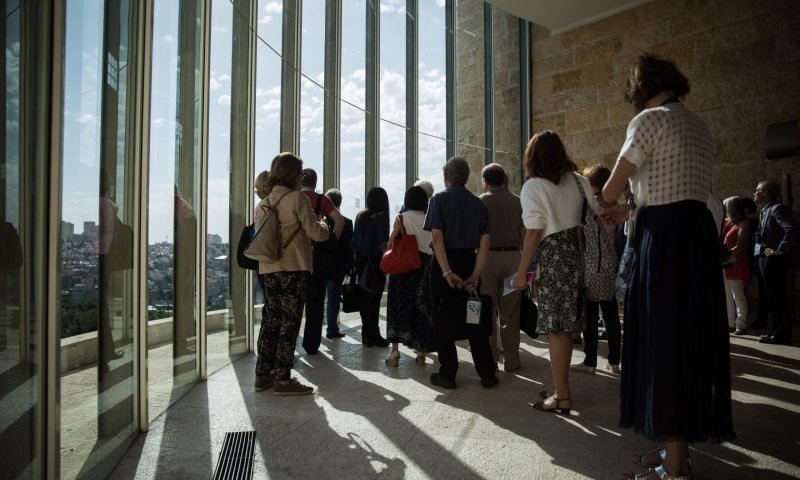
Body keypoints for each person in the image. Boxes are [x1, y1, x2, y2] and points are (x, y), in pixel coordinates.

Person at [601, 54, 735, 479]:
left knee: (664, 344)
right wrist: (633, 210)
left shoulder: (648, 120)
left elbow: (610, 188)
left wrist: (619, 203)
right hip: (696, 235)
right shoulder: (698, 125)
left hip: (664, 241)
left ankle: (675, 468)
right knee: (688, 341)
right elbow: (676, 192)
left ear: (641, 88)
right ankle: (677, 454)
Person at [511, 130, 594, 414]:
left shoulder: (534, 187)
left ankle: (562, 397)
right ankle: (559, 387)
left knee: (556, 331)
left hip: (555, 260)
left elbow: (534, 232)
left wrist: (522, 272)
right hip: (579, 258)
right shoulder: (581, 182)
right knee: (566, 328)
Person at [254, 152, 329, 395]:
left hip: (268, 268)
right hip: (294, 268)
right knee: (290, 321)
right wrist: (325, 224)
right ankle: (283, 379)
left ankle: (262, 374)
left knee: (271, 320)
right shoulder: (297, 199)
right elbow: (317, 233)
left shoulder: (263, 203)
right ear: (294, 174)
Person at [425, 157, 498, 390]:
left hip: (444, 264)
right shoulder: (478, 204)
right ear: (466, 177)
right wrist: (475, 274)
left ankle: (448, 374)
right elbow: (485, 243)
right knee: (474, 316)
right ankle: (487, 373)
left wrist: (447, 272)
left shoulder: (437, 200)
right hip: (469, 262)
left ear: (446, 176)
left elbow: (437, 239)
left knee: (442, 319)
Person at [572, 163, 622, 375]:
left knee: (590, 317)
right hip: (611, 263)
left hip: (593, 264)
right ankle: (615, 361)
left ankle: (590, 360)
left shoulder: (591, 206)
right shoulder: (616, 206)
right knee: (611, 315)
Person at [478, 163, 524, 372]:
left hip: (487, 259)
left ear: (485, 181)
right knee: (511, 312)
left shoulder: (480, 202)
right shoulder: (518, 201)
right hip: (513, 258)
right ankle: (512, 360)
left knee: (488, 309)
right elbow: (524, 231)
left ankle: (491, 357)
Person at [385, 186, 436, 367]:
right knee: (421, 308)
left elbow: (391, 243)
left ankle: (395, 353)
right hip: (424, 269)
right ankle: (421, 354)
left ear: (407, 201)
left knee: (397, 307)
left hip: (403, 270)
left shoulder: (401, 218)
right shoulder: (430, 220)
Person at [299, 168, 345, 355]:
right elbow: (339, 220)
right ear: (315, 182)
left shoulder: (294, 198)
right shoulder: (321, 200)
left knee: (294, 302)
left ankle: (288, 345)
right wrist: (331, 241)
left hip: (296, 256)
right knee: (316, 301)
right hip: (317, 258)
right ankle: (311, 344)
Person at [753, 180, 798, 345]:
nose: (754, 193)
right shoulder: (765, 210)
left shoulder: (777, 209)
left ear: (765, 192)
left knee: (778, 298)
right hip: (764, 257)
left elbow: (791, 229)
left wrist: (780, 250)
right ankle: (776, 332)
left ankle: (782, 335)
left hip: (773, 259)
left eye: (757, 190)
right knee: (772, 297)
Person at [351, 187, 390, 347]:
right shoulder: (382, 217)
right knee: (374, 299)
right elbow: (383, 243)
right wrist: (388, 262)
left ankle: (366, 334)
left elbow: (354, 240)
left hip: (361, 262)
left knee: (364, 299)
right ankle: (374, 335)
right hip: (375, 263)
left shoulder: (360, 216)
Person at [323, 188, 353, 339]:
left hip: (319, 265)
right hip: (337, 266)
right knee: (333, 298)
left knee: (316, 298)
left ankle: (314, 332)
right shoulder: (347, 223)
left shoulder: (320, 221)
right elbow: (349, 247)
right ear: (340, 203)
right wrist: (350, 266)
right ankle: (332, 329)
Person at [722, 197, 750, 335]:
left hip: (736, 263)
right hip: (726, 263)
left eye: (726, 206)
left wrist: (722, 257)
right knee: (728, 295)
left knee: (738, 295)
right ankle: (730, 323)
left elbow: (740, 247)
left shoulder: (743, 224)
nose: (724, 209)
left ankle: (741, 324)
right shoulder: (730, 223)